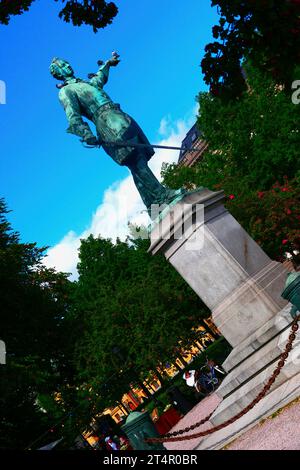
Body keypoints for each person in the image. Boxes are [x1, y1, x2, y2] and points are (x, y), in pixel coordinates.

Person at [50, 54, 184, 218]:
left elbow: (99, 79)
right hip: (106, 123)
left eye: (67, 63)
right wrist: (86, 134)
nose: (67, 66)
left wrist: (107, 64)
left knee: (137, 161)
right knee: (135, 159)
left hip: (118, 115)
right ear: (58, 73)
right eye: (62, 66)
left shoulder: (84, 83)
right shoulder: (66, 91)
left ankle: (153, 207)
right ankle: (163, 196)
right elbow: (73, 116)